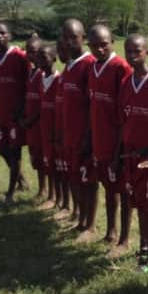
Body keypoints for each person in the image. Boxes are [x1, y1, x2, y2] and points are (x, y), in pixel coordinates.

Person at [115, 34, 148, 271]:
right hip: (130, 153)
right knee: (137, 201)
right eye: (129, 51)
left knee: (147, 204)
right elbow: (123, 120)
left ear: (147, 51)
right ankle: (145, 244)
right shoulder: (126, 83)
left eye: (138, 51)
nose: (133, 55)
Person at [87, 24, 132, 256]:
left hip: (118, 144)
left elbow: (124, 114)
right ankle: (111, 231)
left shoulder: (120, 68)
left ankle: (124, 239)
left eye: (104, 44)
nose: (100, 49)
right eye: (94, 45)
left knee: (123, 191)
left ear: (112, 41)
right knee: (108, 187)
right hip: (100, 142)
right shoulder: (93, 67)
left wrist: (119, 151)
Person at [58, 18, 98, 243]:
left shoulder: (89, 63)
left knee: (88, 181)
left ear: (83, 38)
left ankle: (90, 226)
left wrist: (88, 137)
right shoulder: (69, 65)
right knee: (74, 178)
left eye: (74, 37)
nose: (69, 41)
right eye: (66, 37)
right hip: (69, 135)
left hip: (84, 137)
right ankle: (80, 217)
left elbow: (93, 105)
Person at [0, 22, 29, 203]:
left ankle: (10, 192)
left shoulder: (20, 56)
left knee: (15, 150)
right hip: (0, 114)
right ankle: (21, 179)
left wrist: (21, 112)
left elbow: (28, 84)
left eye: (3, 33)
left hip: (15, 115)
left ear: (10, 35)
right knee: (3, 149)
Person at [21, 34, 46, 202]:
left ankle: (46, 190)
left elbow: (44, 103)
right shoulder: (30, 72)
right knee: (35, 158)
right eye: (28, 52)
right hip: (30, 124)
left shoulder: (43, 75)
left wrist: (31, 119)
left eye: (35, 52)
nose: (31, 55)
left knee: (44, 159)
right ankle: (41, 188)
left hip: (39, 124)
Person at [36, 45, 60, 212]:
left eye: (44, 57)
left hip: (57, 132)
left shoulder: (59, 80)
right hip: (44, 130)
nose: (41, 61)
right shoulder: (40, 78)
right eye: (39, 58)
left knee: (60, 168)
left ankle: (61, 200)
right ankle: (51, 196)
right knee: (48, 164)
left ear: (54, 58)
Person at [53, 37, 72, 221]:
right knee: (66, 172)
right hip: (62, 133)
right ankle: (68, 207)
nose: (61, 53)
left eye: (63, 48)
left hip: (77, 136)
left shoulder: (83, 66)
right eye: (59, 49)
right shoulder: (64, 74)